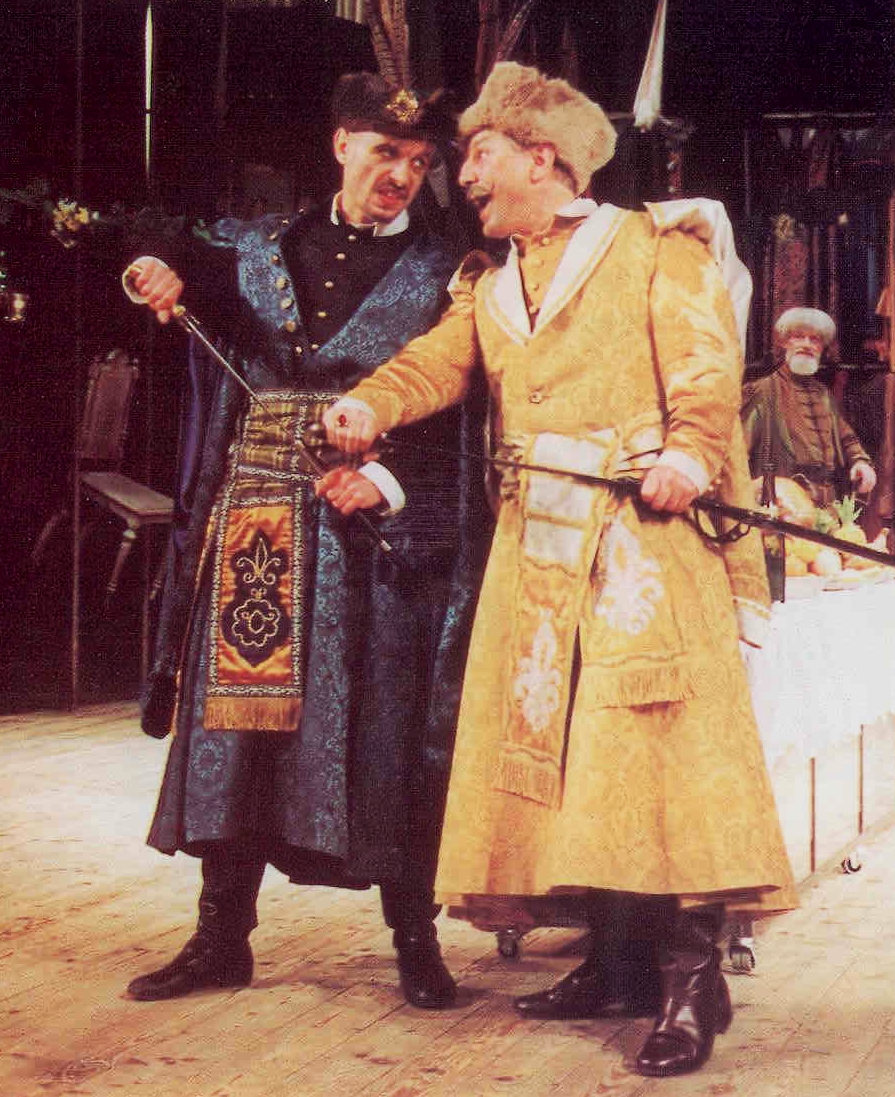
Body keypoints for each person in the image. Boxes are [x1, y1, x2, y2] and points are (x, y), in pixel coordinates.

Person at [320, 61, 798, 1077]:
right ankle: (615, 960)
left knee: (653, 758)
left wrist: (686, 454)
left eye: (479, 154)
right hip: (535, 556)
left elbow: (707, 365)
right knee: (573, 758)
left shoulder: (652, 247)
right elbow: (437, 362)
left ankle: (687, 980)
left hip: (641, 543)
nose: (463, 175)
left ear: (541, 159)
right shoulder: (492, 283)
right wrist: (370, 402)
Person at [123, 72, 492, 1010]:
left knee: (389, 730)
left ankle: (415, 939)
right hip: (256, 523)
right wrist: (154, 267)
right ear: (341, 146)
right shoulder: (260, 245)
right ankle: (221, 938)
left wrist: (389, 477)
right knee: (238, 731)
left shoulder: (456, 272)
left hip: (378, 535)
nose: (400, 176)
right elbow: (159, 238)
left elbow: (467, 415)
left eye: (420, 162)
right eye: (385, 154)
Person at [741, 306, 876, 505]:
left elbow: (846, 437)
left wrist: (860, 462)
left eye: (815, 339)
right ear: (784, 342)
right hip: (782, 502)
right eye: (798, 337)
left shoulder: (824, 394)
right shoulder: (762, 391)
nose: (807, 344)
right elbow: (739, 450)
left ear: (822, 348)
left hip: (828, 502)